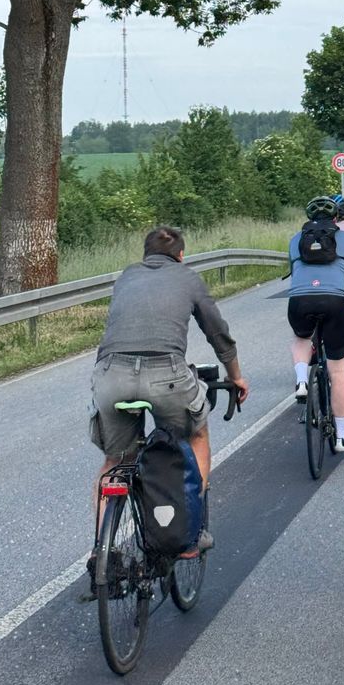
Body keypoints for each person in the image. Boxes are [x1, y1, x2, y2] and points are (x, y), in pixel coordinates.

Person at [90, 226, 250, 547]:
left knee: (116, 461)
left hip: (110, 375)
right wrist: (235, 375)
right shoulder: (187, 277)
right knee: (196, 436)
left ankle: (101, 551)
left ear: (145, 255)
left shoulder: (126, 277)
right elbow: (218, 333)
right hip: (167, 376)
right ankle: (191, 533)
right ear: (181, 256)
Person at [288, 196, 344, 451]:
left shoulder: (295, 240)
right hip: (334, 302)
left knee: (301, 337)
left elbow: (296, 272)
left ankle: (301, 380)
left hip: (300, 301)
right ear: (336, 219)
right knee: (337, 371)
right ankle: (341, 436)